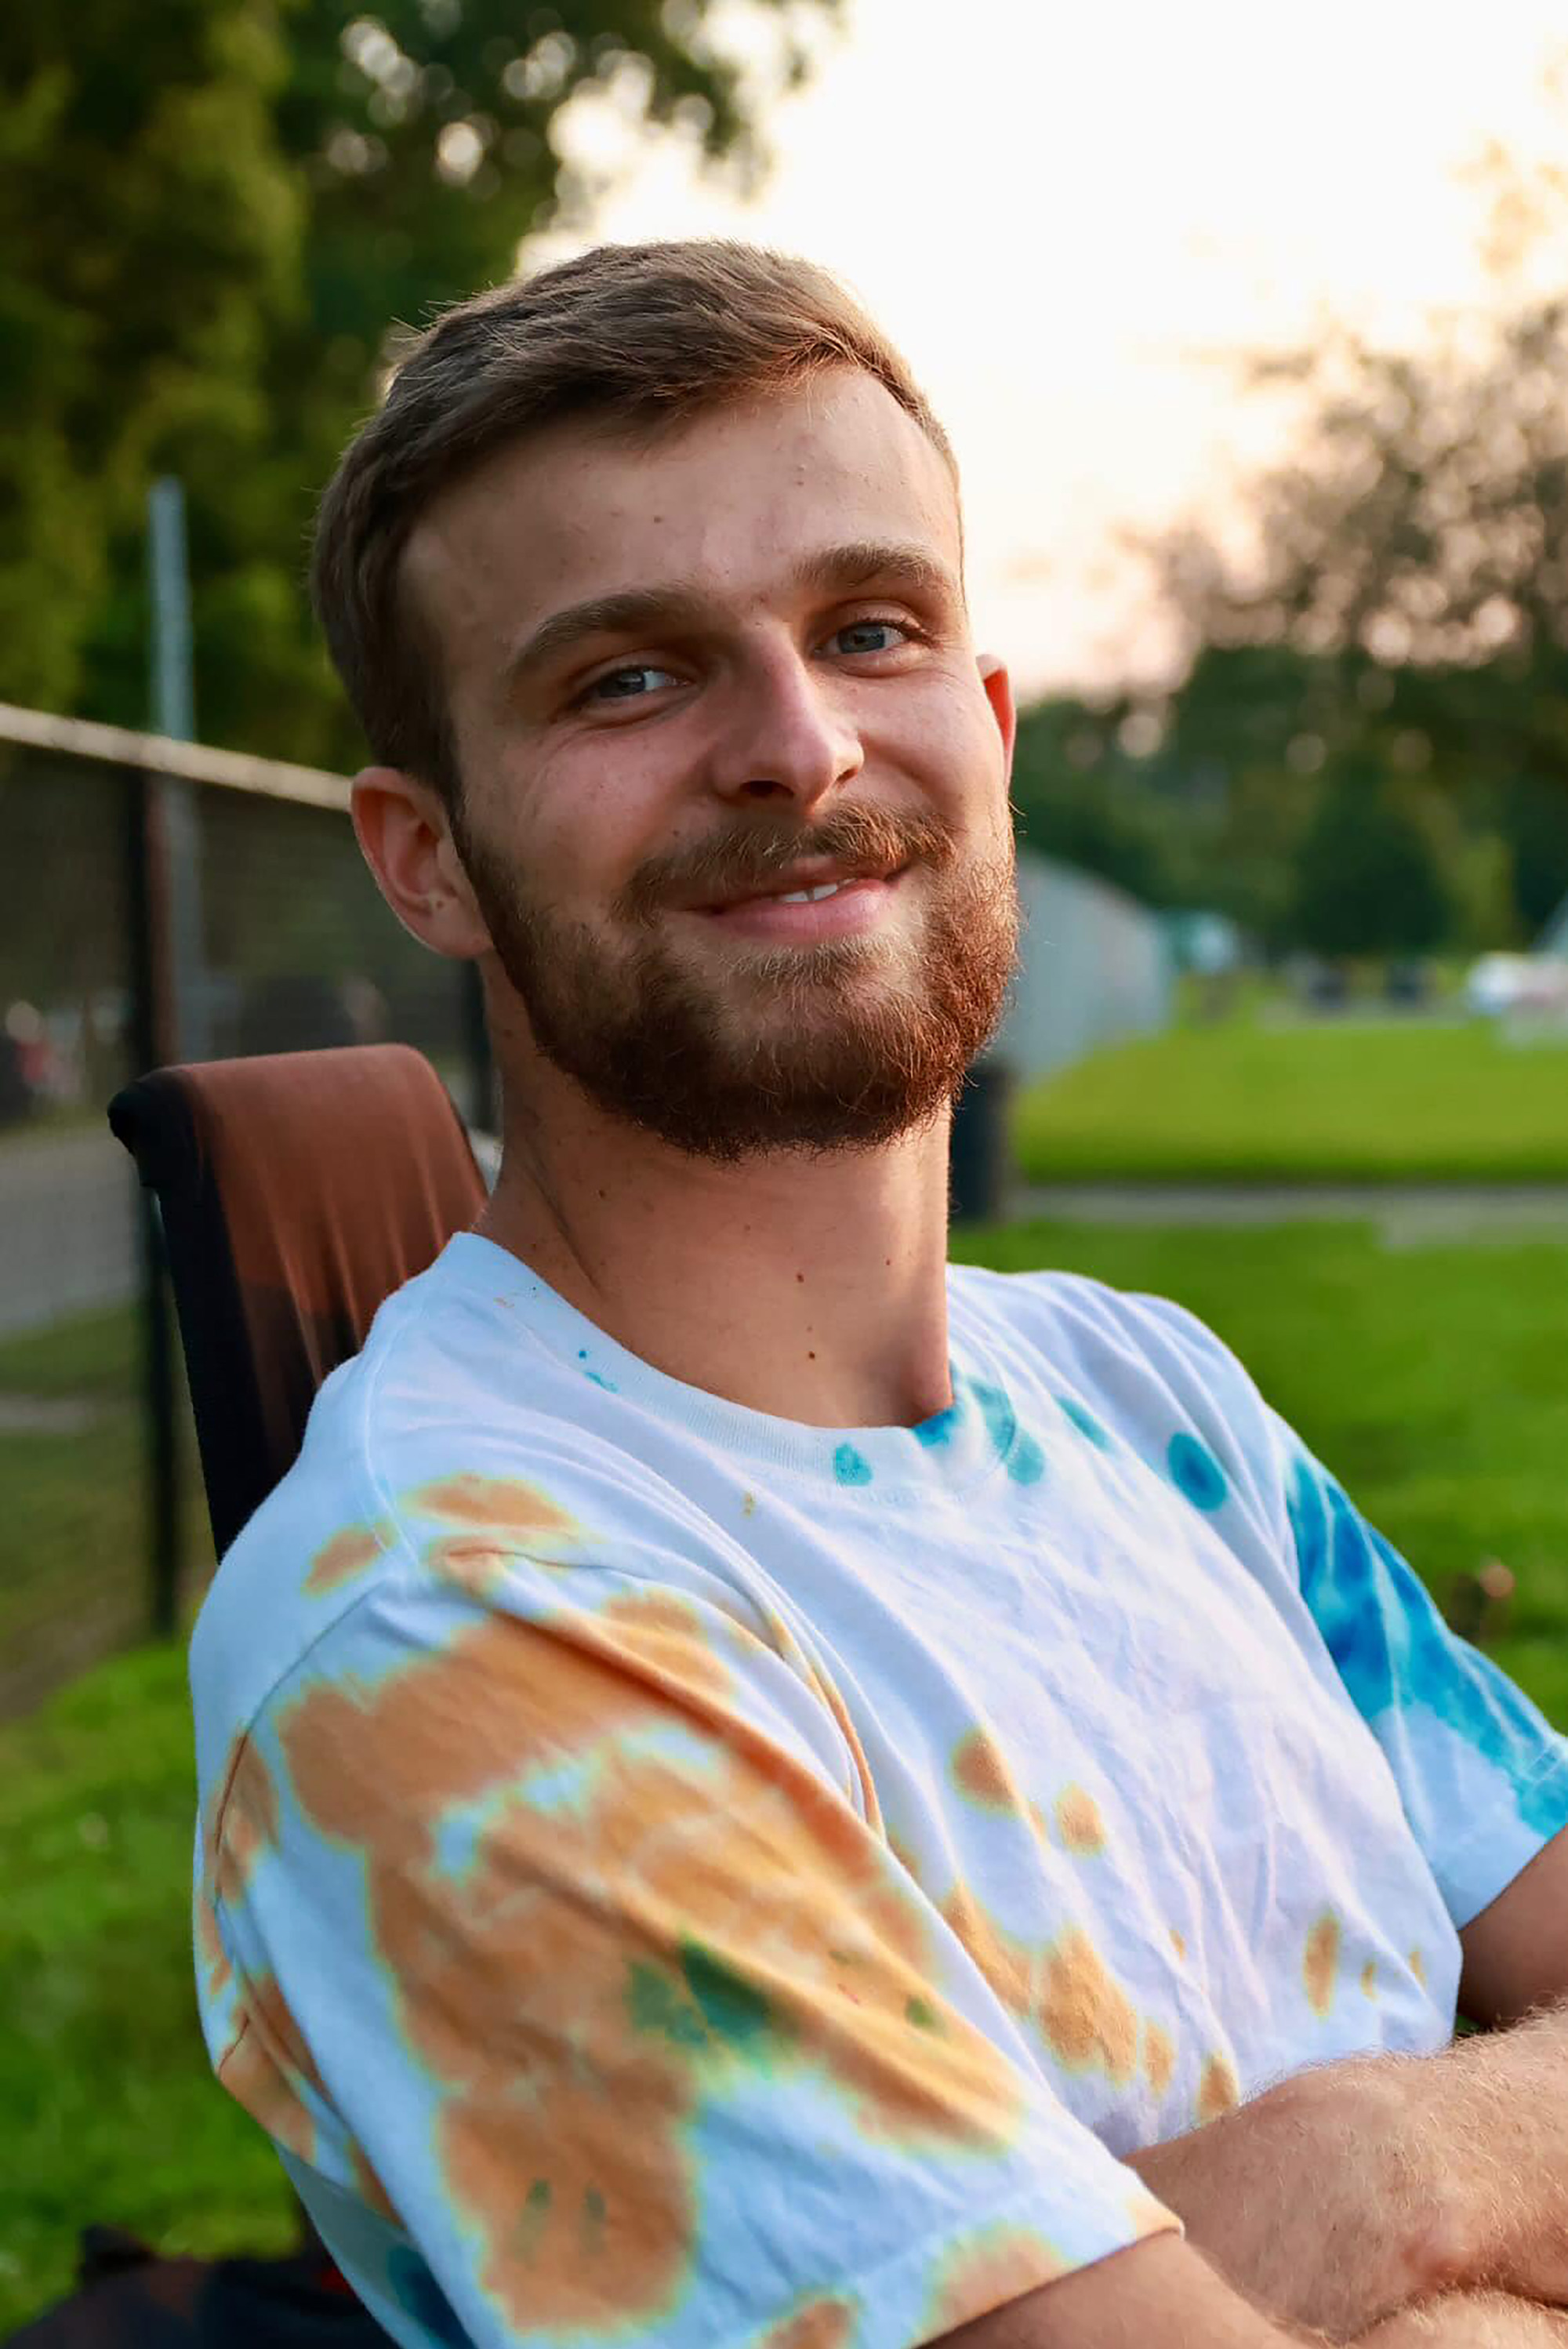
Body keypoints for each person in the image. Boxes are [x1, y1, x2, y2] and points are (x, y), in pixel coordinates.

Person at [189, 241, 1568, 2349]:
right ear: (424, 856)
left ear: (989, 728)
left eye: (870, 628)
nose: (798, 743)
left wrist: (1381, 2161)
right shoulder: (448, 1618)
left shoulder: (1147, 1395)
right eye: (626, 678)